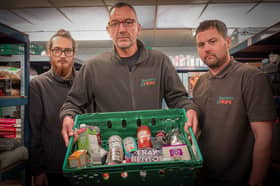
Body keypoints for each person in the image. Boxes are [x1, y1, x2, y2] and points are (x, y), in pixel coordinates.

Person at [60, 2, 200, 147]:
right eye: (115, 23)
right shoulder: (92, 67)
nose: (122, 29)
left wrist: (190, 109)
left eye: (128, 22)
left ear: (138, 28)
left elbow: (178, 98)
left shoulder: (159, 61)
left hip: (152, 147)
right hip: (111, 151)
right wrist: (68, 117)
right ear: (108, 30)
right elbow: (73, 103)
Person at [193, 19, 277, 186]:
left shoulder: (251, 78)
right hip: (204, 176)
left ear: (227, 42)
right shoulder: (200, 83)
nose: (206, 48)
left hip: (237, 179)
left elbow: (264, 138)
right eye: (201, 44)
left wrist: (255, 182)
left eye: (212, 41)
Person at [29, 29, 77, 186]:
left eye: (67, 50)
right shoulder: (38, 85)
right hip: (52, 169)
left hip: (84, 165)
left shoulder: (84, 82)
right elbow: (34, 131)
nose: (62, 55)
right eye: (57, 50)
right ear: (49, 53)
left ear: (73, 53)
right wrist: (38, 169)